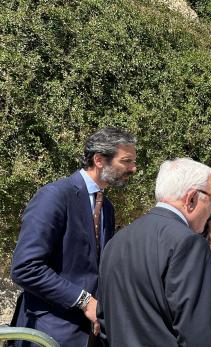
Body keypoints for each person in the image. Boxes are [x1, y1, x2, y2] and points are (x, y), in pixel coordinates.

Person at [10, 127, 136, 346]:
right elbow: (25, 267)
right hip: (48, 333)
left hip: (90, 335)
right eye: (126, 161)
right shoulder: (55, 196)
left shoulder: (106, 207)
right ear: (99, 160)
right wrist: (84, 301)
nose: (133, 169)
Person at [97, 158, 211, 346]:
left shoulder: (116, 242)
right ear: (191, 199)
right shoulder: (188, 243)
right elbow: (202, 334)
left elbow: (104, 320)